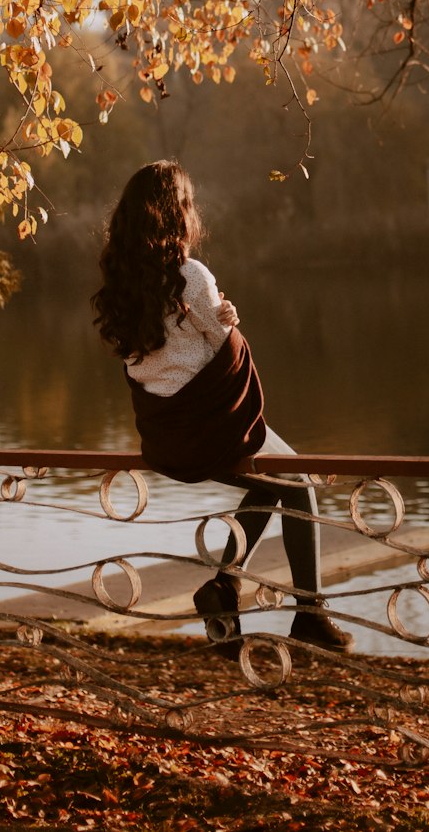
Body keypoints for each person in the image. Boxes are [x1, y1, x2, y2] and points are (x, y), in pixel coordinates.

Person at [92, 160, 352, 655]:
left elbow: (163, 351)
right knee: (299, 484)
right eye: (188, 205)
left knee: (271, 486)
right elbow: (219, 341)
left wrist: (216, 317)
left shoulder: (124, 288)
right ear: (176, 214)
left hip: (164, 434)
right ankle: (309, 614)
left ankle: (225, 586)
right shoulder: (191, 275)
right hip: (210, 424)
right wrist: (227, 318)